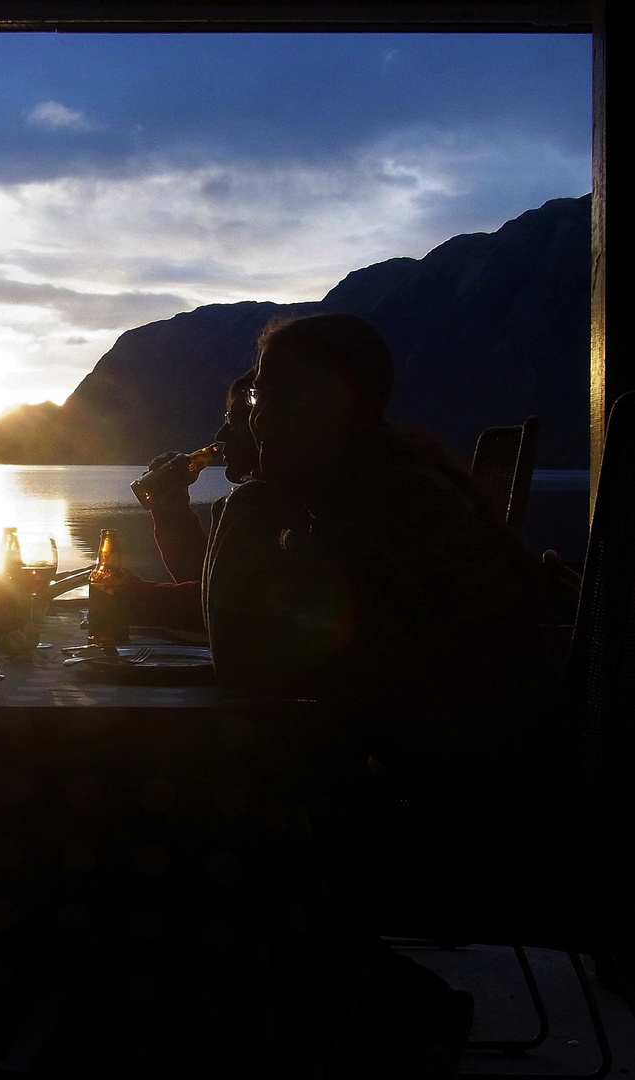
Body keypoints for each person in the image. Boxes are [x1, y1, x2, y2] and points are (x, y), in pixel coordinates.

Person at [201, 313, 561, 1077]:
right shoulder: (375, 491)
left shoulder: (382, 509)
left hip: (471, 829)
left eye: (273, 396)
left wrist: (250, 497)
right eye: (261, 396)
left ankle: (373, 1008)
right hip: (483, 791)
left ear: (342, 406)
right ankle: (356, 1001)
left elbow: (250, 665)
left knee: (218, 806)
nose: (254, 412)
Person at [125, 371, 259, 630]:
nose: (221, 434)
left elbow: (235, 606)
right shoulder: (262, 501)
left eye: (235, 418)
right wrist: (172, 512)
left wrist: (135, 597)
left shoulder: (289, 507)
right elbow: (209, 578)